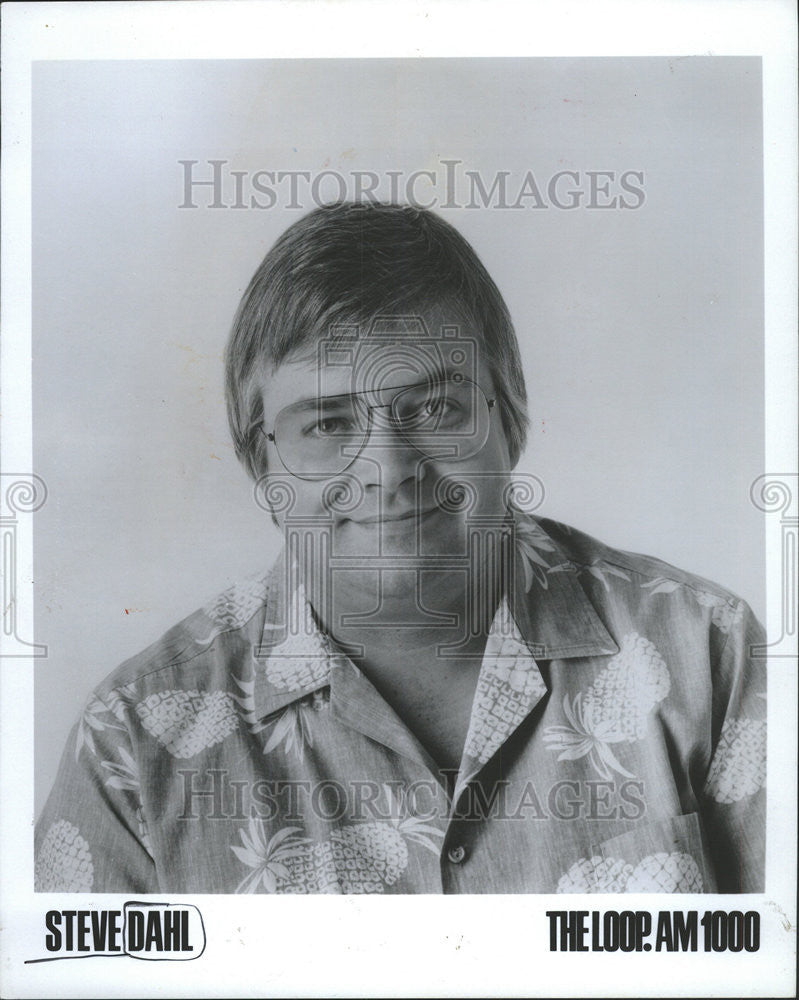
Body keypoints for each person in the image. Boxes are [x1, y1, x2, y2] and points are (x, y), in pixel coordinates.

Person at [35, 203, 766, 894]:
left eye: (435, 409)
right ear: (263, 465)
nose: (386, 469)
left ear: (508, 421)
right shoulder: (130, 745)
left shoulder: (710, 658)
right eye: (325, 425)